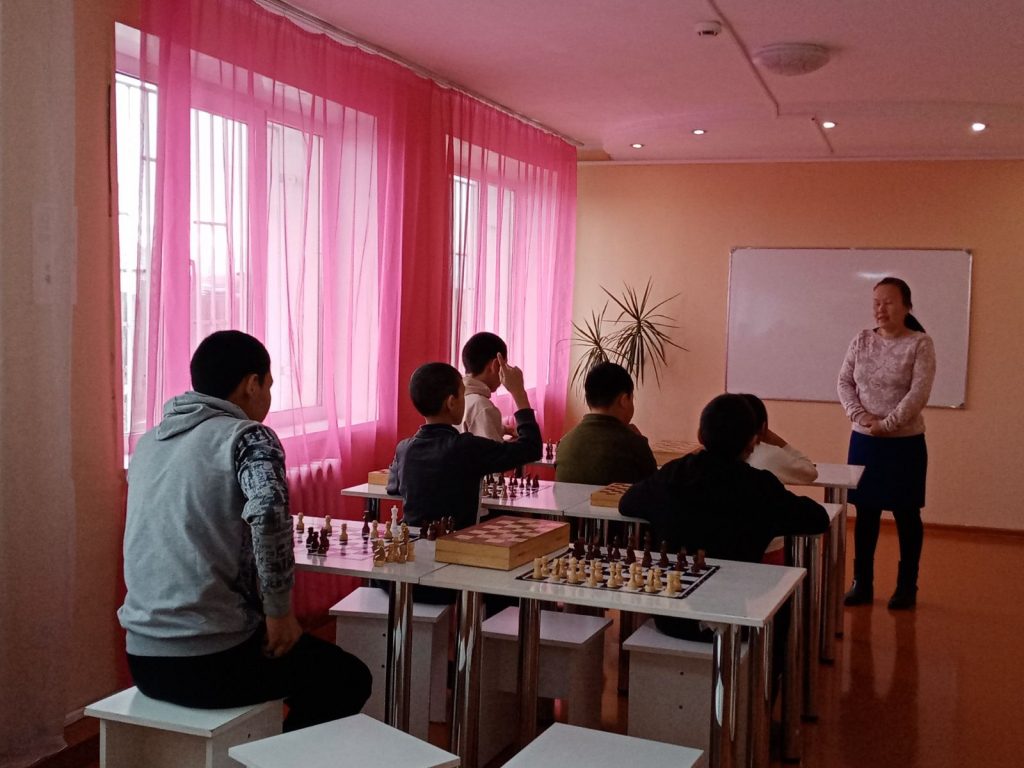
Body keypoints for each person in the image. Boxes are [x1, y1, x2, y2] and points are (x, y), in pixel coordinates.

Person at [118, 331, 371, 731]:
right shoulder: (248, 436)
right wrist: (279, 612)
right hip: (213, 658)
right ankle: (275, 756)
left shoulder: (149, 443)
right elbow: (269, 515)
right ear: (252, 384)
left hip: (143, 659)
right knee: (348, 678)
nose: (268, 398)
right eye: (269, 385)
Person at [618, 393, 829, 642]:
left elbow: (626, 503)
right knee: (782, 598)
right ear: (751, 444)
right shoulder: (760, 487)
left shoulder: (672, 474)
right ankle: (778, 666)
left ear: (700, 435)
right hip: (734, 618)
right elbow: (818, 519)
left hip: (672, 617)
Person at [838, 277, 936, 610]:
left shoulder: (920, 343)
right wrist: (862, 417)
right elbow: (844, 382)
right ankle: (861, 583)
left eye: (889, 302)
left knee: (907, 514)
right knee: (865, 513)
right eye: (876, 302)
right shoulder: (861, 340)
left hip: (904, 444)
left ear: (906, 306)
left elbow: (918, 393)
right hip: (864, 441)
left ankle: (906, 586)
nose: (881, 309)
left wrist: (887, 424)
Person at [387, 356, 542, 530]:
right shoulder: (467, 447)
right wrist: (519, 392)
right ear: (451, 402)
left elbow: (393, 487)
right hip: (457, 542)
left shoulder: (404, 448)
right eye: (463, 395)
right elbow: (532, 448)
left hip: (412, 541)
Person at [555, 362, 657, 485]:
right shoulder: (634, 445)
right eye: (632, 398)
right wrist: (639, 440)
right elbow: (655, 489)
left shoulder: (564, 443)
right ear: (624, 400)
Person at [740, 393, 818, 485]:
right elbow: (810, 473)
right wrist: (782, 444)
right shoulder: (771, 455)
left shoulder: (725, 457)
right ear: (763, 427)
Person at [460, 331, 513, 441]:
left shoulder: (457, 398)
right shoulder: (482, 407)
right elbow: (493, 451)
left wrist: (503, 429)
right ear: (496, 365)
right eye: (504, 365)